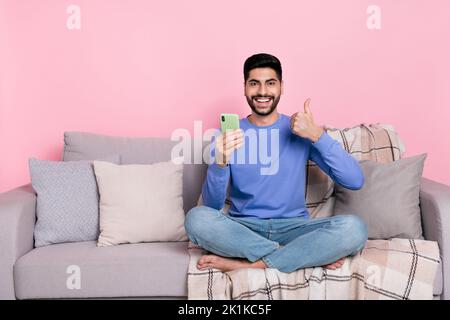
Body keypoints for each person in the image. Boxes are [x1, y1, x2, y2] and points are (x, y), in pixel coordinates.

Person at [185, 53, 368, 273]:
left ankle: (252, 264)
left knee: (354, 229)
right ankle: (300, 255)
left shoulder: (299, 130)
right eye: (254, 84)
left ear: (281, 86)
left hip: (295, 227)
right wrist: (220, 162)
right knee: (196, 219)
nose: (262, 92)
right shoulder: (228, 136)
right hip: (244, 229)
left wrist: (318, 135)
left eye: (270, 83)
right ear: (245, 87)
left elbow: (355, 180)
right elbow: (212, 207)